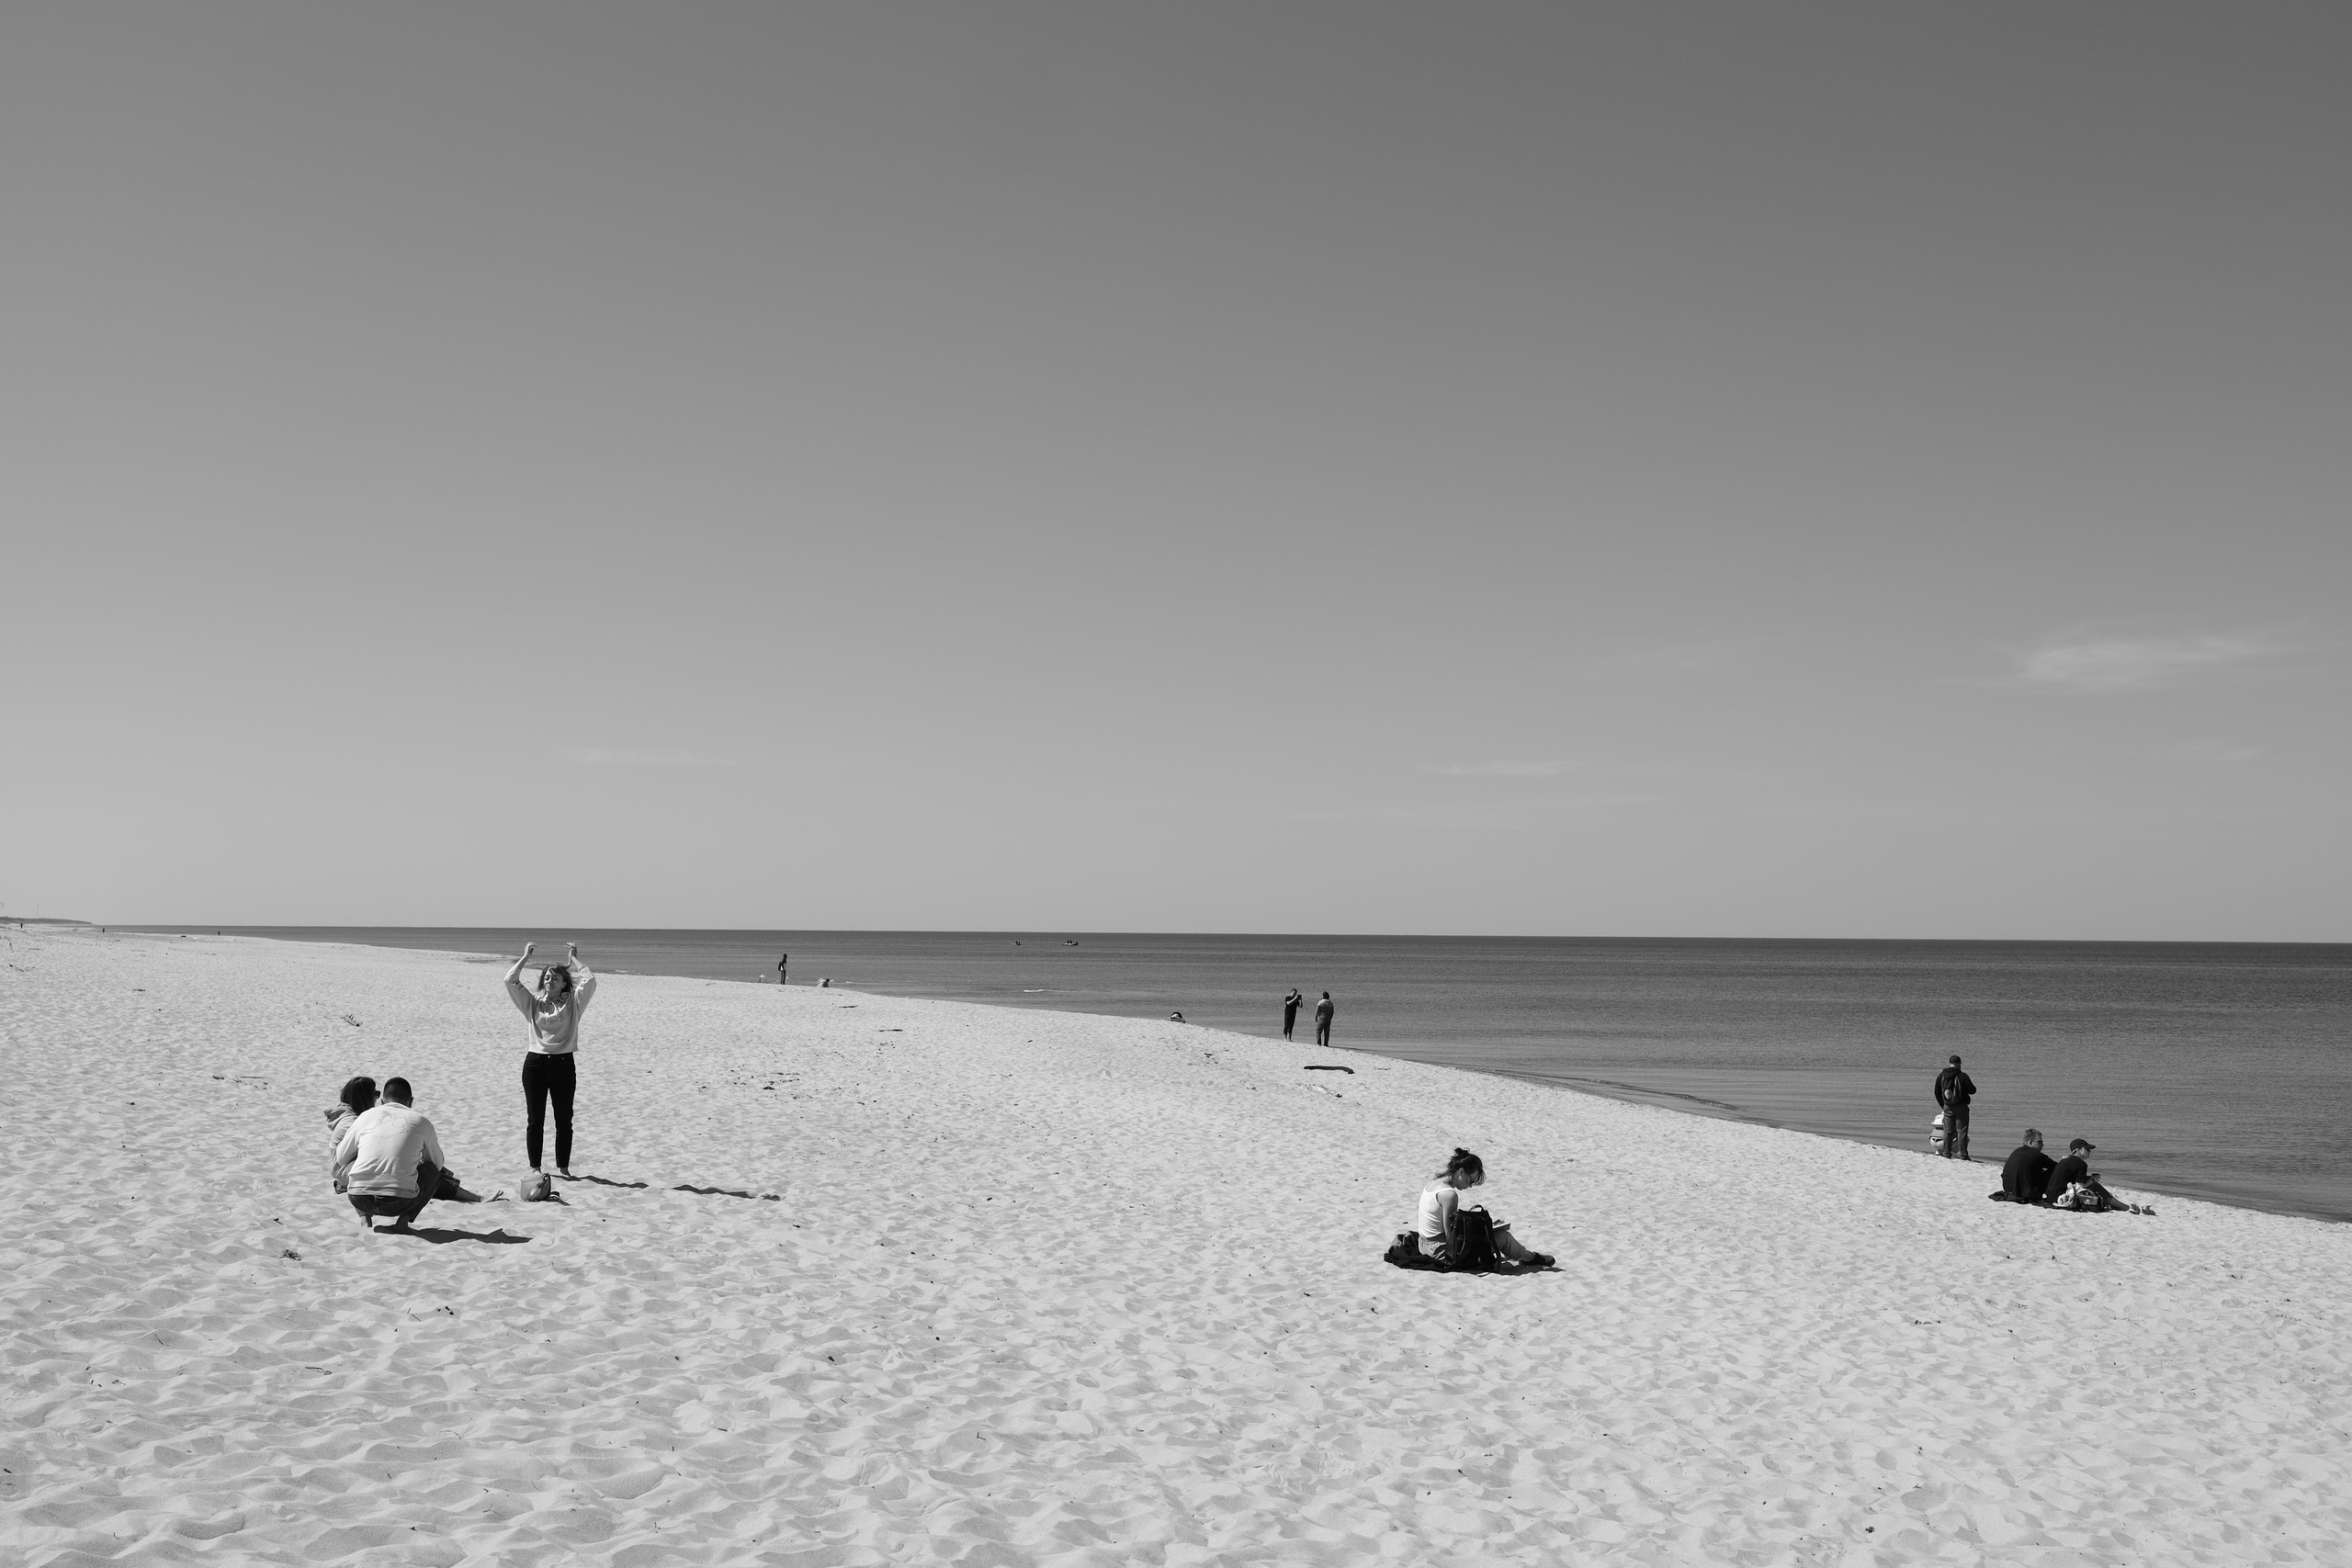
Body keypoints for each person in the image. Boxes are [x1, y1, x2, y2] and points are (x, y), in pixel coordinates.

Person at [504, 941, 597, 1179]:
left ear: (565, 982)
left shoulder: (574, 1003)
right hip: (535, 1064)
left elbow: (590, 980)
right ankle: (535, 1167)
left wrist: (574, 959)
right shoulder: (532, 1004)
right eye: (546, 977)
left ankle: (563, 1168)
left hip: (564, 1065)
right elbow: (510, 980)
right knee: (535, 1119)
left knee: (564, 1119)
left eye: (555, 977)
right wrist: (525, 957)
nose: (549, 980)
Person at [334, 1077, 447, 1233]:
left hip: (359, 1199)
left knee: (355, 1161)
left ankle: (364, 1217)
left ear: (381, 1101)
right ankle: (404, 1221)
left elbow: (341, 1158)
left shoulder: (364, 1116)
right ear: (411, 1101)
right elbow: (437, 1165)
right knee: (433, 1172)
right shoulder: (422, 1121)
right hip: (399, 1202)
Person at [1416, 1148, 1553, 1269]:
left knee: (1489, 1233)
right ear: (1461, 1172)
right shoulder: (1449, 1195)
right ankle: (1529, 1257)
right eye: (1471, 1181)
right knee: (1504, 1238)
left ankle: (1519, 1255)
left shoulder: (1435, 1183)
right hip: (1438, 1251)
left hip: (1424, 1244)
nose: (1470, 1186)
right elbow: (1451, 1236)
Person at [2042, 1137, 2151, 1213]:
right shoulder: (2081, 1164)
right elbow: (2081, 1186)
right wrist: (2094, 1179)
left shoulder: (2065, 1160)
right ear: (2078, 1150)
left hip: (2051, 1196)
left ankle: (2119, 1204)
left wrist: (2090, 1179)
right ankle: (2125, 1208)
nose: (2090, 1152)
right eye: (2087, 1149)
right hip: (2061, 1198)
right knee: (2094, 1186)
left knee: (2092, 1182)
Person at [1934, 1055, 1977, 1160]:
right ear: (1958, 1064)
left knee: (1947, 1131)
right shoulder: (1963, 1076)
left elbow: (1936, 1092)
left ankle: (1946, 1153)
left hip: (1947, 1107)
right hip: (1961, 1107)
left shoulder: (1941, 1076)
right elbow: (1973, 1090)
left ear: (1950, 1063)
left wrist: (1943, 1105)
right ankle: (1963, 1155)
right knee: (1961, 1131)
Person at [2000, 1128, 2055, 1203]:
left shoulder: (2017, 1151)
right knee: (2053, 1170)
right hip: (2027, 1194)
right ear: (2030, 1142)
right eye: (2039, 1142)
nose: (2042, 1145)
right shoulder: (2037, 1155)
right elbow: (2056, 1166)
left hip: (2008, 1189)